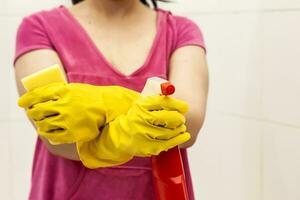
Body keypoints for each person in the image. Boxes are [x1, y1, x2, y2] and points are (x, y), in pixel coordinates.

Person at [14, 0, 208, 199]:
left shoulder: (180, 30)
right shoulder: (38, 28)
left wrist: (107, 104)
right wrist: (138, 120)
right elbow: (56, 136)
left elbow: (188, 125)